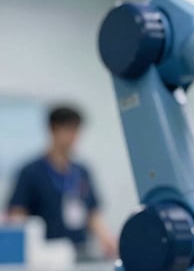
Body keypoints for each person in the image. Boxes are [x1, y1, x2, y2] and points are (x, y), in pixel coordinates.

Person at [7, 105, 117, 258]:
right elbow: (18, 214)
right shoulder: (31, 172)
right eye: (68, 130)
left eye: (76, 130)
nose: (74, 136)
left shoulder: (82, 171)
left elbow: (92, 213)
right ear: (53, 129)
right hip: (46, 256)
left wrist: (107, 240)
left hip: (79, 251)